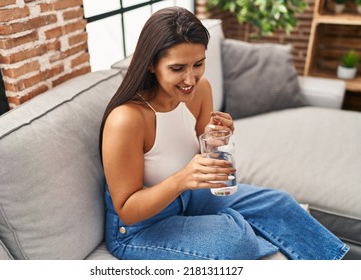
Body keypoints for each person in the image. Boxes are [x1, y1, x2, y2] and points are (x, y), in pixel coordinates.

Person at [100, 6, 349, 260]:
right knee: (235, 240)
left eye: (198, 64)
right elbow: (127, 210)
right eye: (177, 68)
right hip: (138, 228)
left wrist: (216, 137)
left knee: (280, 204)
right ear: (151, 64)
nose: (190, 79)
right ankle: (236, 229)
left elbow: (206, 157)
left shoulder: (200, 90)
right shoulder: (126, 119)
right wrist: (181, 179)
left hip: (189, 199)